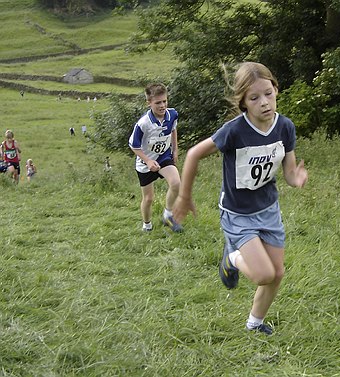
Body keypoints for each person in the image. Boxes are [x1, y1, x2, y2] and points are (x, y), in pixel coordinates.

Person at [173, 62, 308, 335]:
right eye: (254, 98)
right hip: (237, 214)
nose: (264, 103)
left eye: (268, 94)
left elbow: (290, 172)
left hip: (269, 210)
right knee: (262, 275)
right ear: (244, 102)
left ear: (276, 90)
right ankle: (231, 258)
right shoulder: (234, 131)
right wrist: (185, 197)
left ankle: (254, 324)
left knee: (277, 273)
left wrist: (297, 179)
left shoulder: (285, 127)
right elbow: (193, 154)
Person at [129, 82, 183, 233]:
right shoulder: (143, 124)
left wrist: (175, 149)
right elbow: (134, 145)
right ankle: (147, 225)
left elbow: (173, 130)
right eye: (158, 102)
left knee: (176, 183)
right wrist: (147, 160)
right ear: (149, 103)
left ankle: (168, 215)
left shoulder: (172, 114)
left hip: (163, 156)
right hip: (145, 162)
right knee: (148, 198)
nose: (162, 105)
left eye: (165, 101)